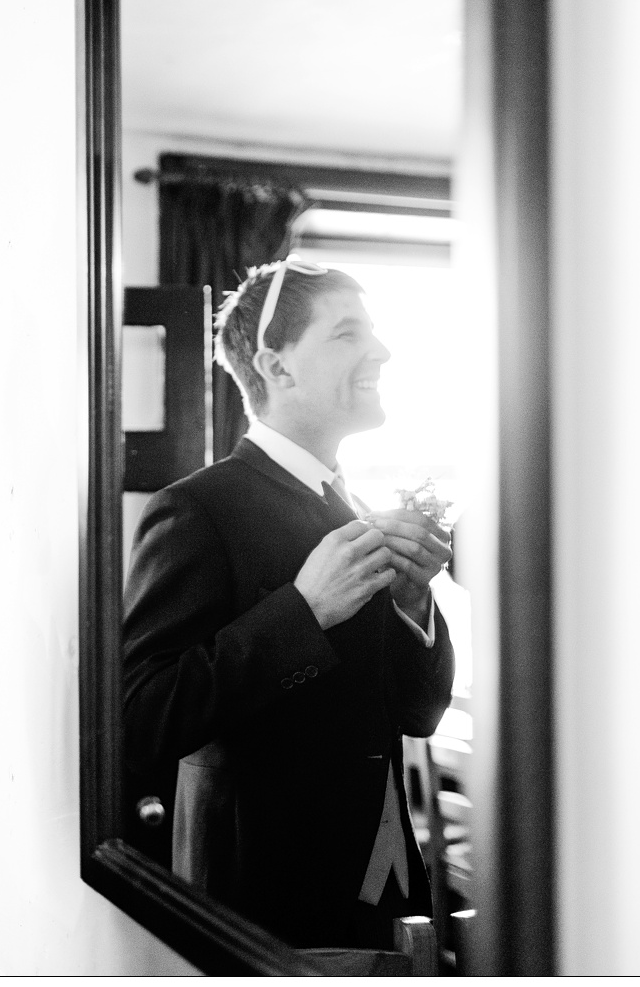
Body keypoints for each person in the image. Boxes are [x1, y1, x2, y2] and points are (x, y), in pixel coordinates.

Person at [122, 258, 454, 954]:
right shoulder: (196, 510)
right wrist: (304, 611)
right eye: (346, 334)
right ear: (277, 367)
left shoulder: (353, 506)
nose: (382, 352)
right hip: (262, 903)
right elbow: (142, 715)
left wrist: (414, 603)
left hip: (382, 881)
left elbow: (417, 715)